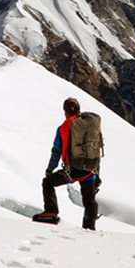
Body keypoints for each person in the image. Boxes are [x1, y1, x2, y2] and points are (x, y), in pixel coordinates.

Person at [32, 97, 101, 230]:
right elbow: (95, 150)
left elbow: (56, 151)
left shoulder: (63, 128)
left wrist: (50, 169)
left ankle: (51, 212)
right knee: (89, 200)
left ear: (65, 112)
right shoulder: (90, 125)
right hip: (90, 170)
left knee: (48, 182)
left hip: (72, 171)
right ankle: (89, 228)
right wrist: (97, 174)